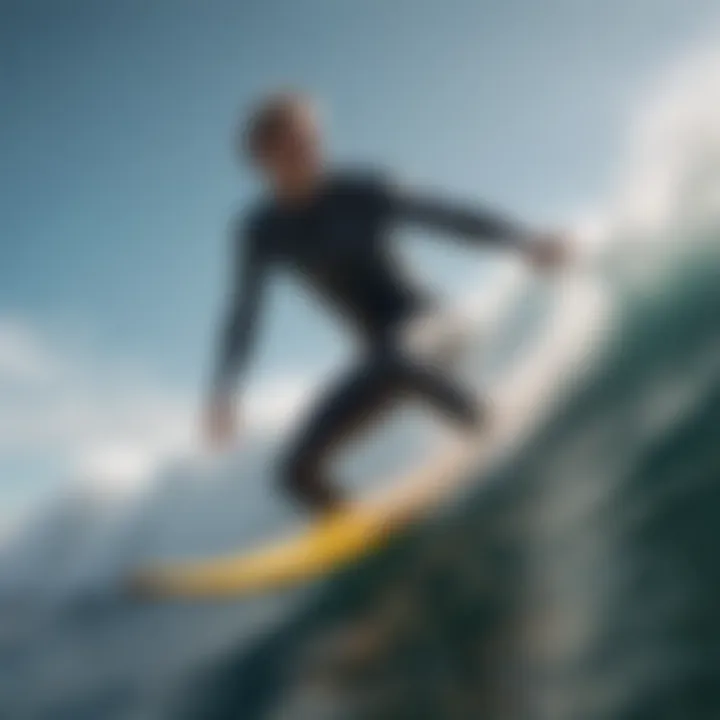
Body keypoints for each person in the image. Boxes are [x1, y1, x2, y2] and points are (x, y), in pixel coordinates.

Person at [205, 92, 568, 513]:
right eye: (290, 147)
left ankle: (497, 436)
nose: (308, 153)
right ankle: (356, 531)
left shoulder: (363, 191)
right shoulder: (260, 233)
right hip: (383, 358)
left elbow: (448, 216)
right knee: (293, 471)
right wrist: (226, 388)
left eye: (311, 140)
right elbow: (244, 315)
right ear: (262, 161)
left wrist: (523, 241)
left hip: (436, 326)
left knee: (396, 358)